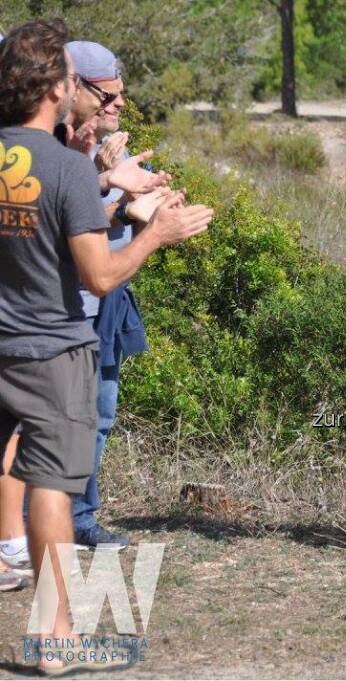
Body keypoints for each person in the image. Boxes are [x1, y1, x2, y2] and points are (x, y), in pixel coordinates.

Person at [0, 19, 212, 672]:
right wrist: (156, 234)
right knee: (53, 490)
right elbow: (100, 275)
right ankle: (58, 636)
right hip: (53, 350)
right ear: (55, 88)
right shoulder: (65, 167)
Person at [63, 40, 148, 550]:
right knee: (60, 420)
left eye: (120, 96)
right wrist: (112, 196)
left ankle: (80, 515)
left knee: (100, 414)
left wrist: (142, 205)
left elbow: (112, 230)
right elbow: (68, 229)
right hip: (69, 306)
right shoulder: (51, 151)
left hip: (109, 300)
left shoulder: (105, 148)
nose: (117, 105)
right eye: (108, 96)